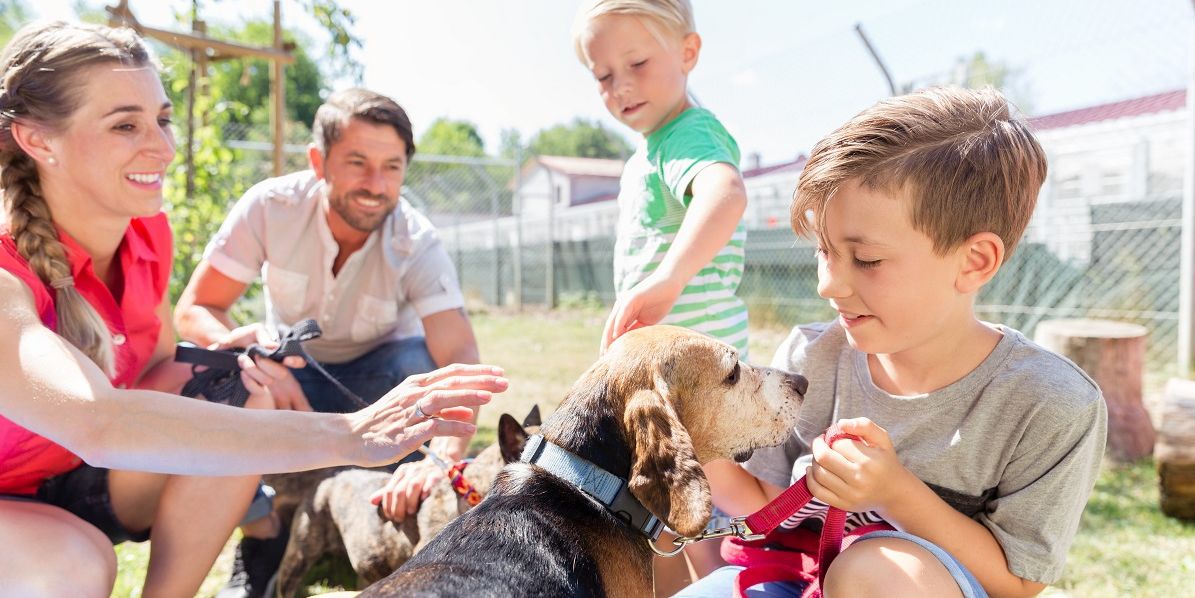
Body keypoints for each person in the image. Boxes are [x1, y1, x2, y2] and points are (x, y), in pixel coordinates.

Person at [0, 21, 505, 598]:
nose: (162, 146)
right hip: (28, 489)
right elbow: (99, 421)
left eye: (162, 119)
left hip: (73, 476)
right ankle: (269, 524)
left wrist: (226, 360)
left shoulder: (147, 233)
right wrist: (348, 433)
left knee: (244, 385)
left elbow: (157, 370)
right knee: (75, 565)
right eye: (125, 125)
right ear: (38, 141)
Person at [683, 86, 1108, 598]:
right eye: (824, 251)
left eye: (865, 260)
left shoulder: (1051, 405)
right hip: (789, 579)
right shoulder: (810, 358)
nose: (828, 284)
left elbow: (1019, 582)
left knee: (873, 573)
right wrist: (687, 439)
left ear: (974, 262)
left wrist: (897, 493)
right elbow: (765, 506)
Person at [173, 87, 483, 596]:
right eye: (357, 162)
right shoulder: (270, 206)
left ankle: (396, 505)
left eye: (392, 168)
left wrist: (444, 461)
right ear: (319, 161)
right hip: (294, 378)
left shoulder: (417, 239)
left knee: (417, 358)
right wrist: (251, 355)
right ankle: (263, 536)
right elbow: (196, 308)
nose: (375, 185)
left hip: (384, 389)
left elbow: (459, 357)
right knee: (227, 377)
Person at [571, 0, 750, 590]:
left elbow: (723, 195)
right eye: (602, 76)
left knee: (705, 495)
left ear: (688, 53)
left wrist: (669, 279)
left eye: (637, 63)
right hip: (666, 371)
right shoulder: (648, 149)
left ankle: (740, 581)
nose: (620, 86)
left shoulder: (688, 134)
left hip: (697, 375)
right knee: (656, 497)